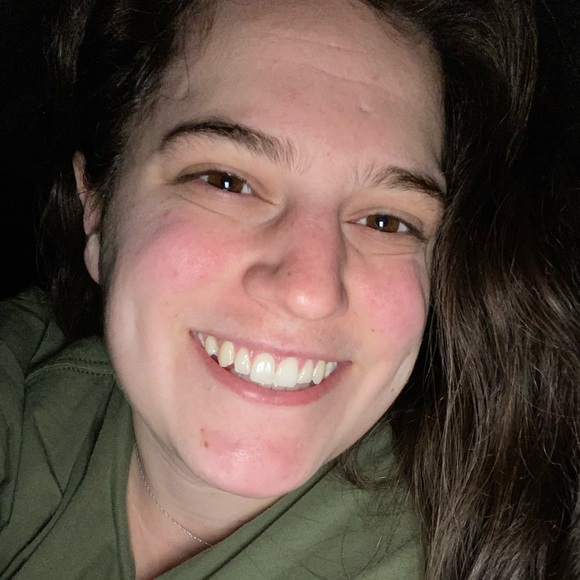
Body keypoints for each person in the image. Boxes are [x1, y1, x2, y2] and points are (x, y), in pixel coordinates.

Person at [1, 0, 578, 578]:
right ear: (96, 204)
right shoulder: (21, 377)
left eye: (385, 221)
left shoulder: (494, 542)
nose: (311, 291)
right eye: (228, 182)